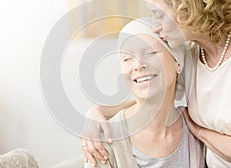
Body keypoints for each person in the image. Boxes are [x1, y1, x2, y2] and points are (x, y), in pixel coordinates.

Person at [81, 0, 231, 167]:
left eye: (158, 15)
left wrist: (198, 131)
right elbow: (154, 95)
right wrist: (98, 112)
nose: (155, 26)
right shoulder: (192, 53)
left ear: (187, 7)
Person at [83, 18, 206, 168]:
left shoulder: (199, 130)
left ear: (177, 63)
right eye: (127, 58)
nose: (138, 65)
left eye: (151, 52)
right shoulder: (103, 140)